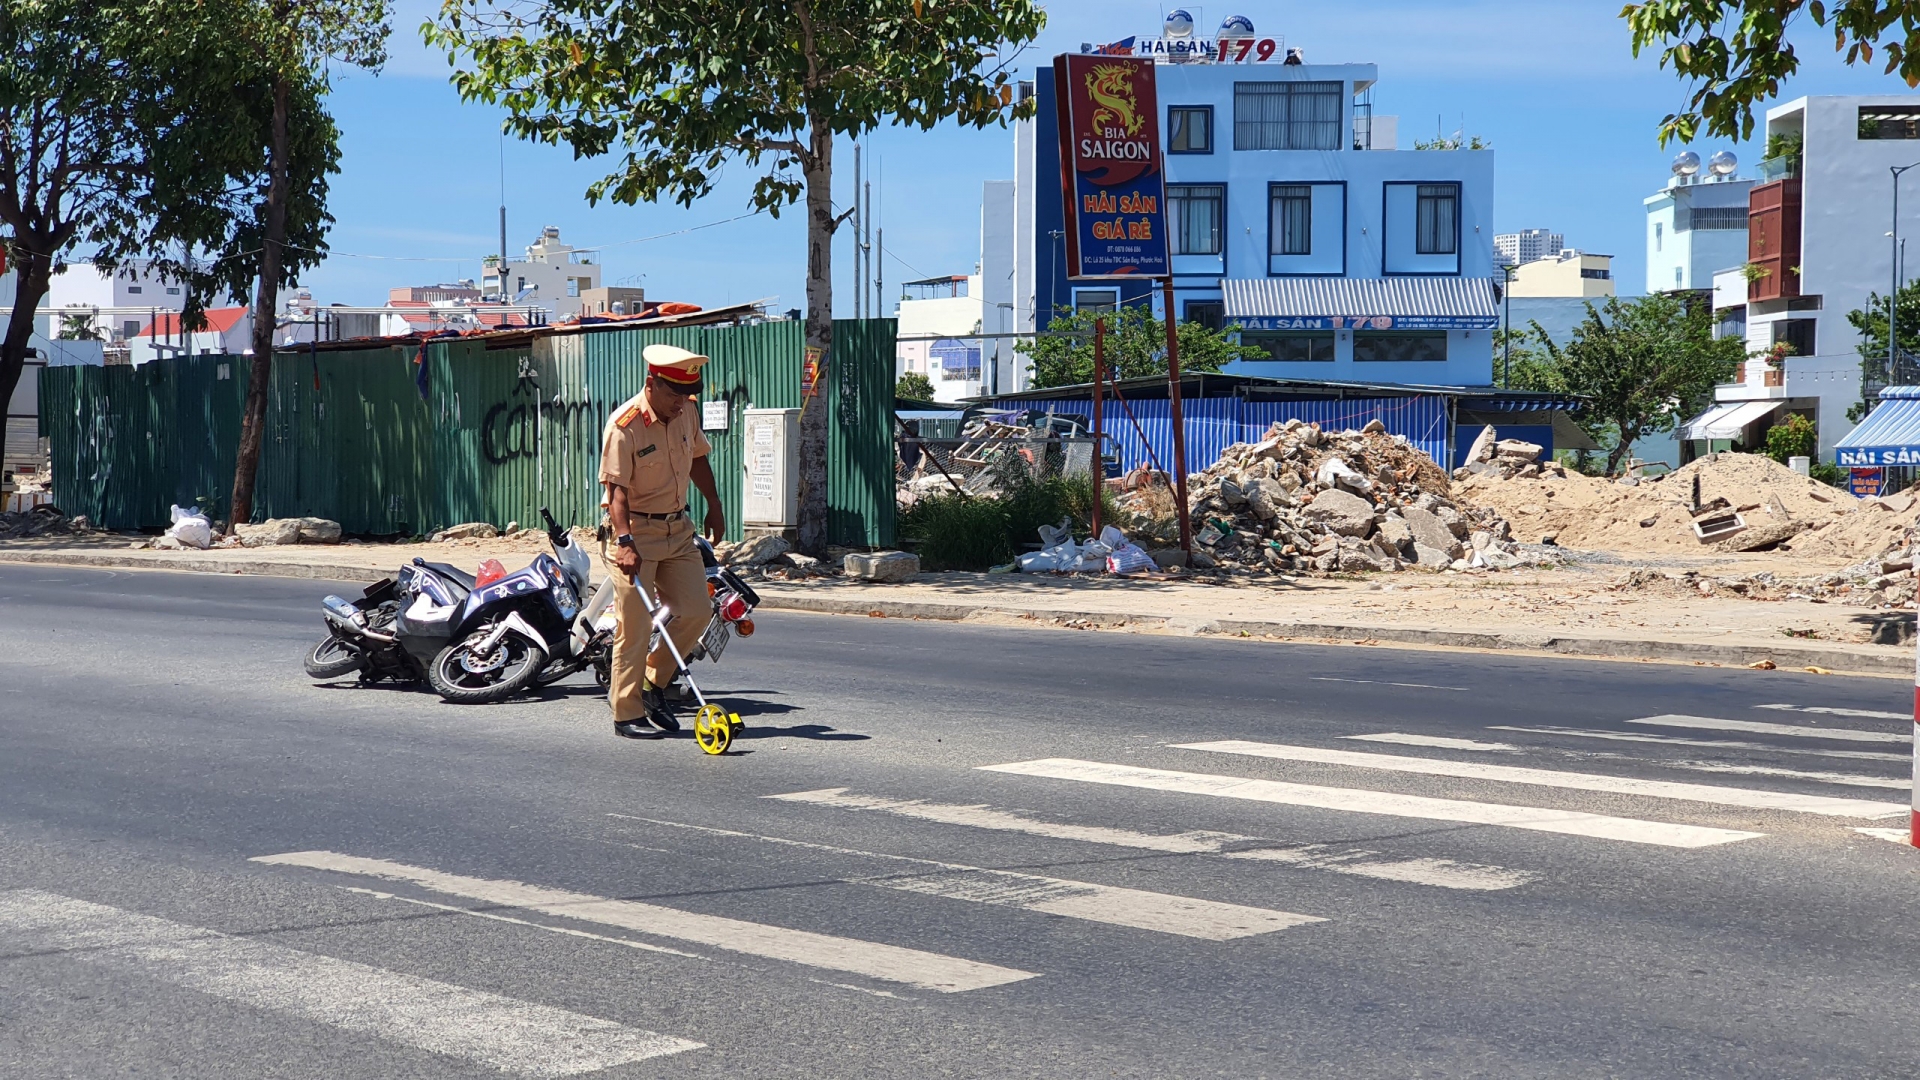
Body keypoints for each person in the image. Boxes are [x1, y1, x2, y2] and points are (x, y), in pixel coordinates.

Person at [598, 344, 726, 739]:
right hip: (634, 533)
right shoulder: (625, 425)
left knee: (697, 611)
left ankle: (654, 681)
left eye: (687, 395)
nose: (681, 403)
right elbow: (615, 491)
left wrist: (714, 505)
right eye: (674, 394)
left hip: (677, 530)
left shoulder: (685, 410)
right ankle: (626, 714)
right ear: (651, 384)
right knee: (634, 628)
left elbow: (698, 459)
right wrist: (625, 542)